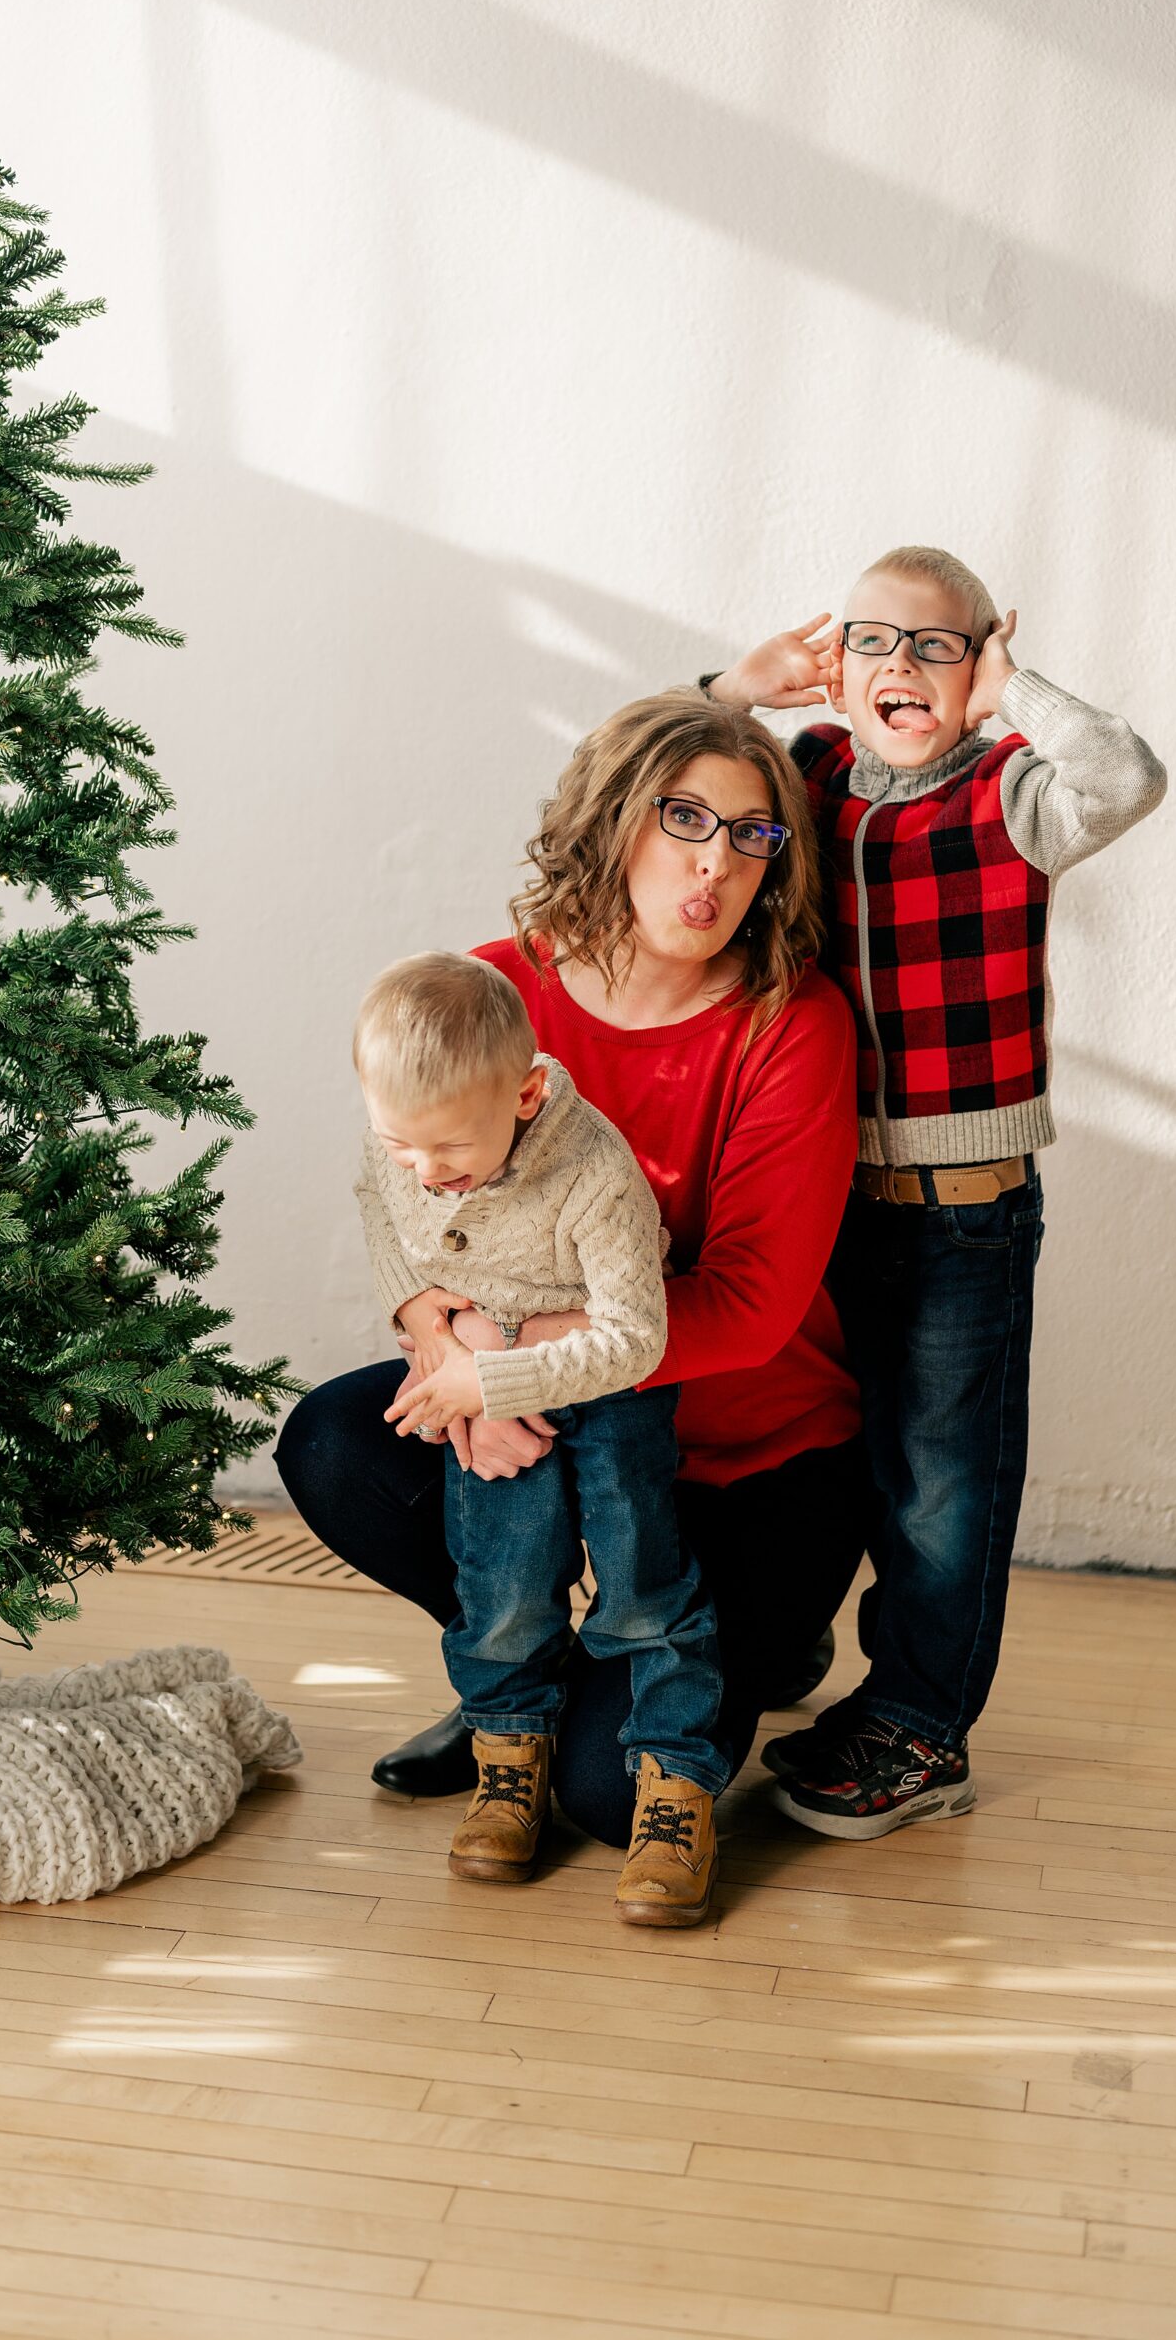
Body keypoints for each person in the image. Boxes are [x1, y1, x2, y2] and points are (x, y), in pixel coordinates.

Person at [277, 690, 864, 1857]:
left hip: (744, 1443)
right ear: (613, 822)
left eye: (754, 835)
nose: (718, 862)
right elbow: (405, 1180)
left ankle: (759, 1644)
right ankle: (519, 1684)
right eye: (684, 818)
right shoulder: (497, 986)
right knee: (335, 1443)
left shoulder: (790, 1025)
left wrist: (507, 1363)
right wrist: (443, 1343)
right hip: (553, 1414)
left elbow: (750, 1309)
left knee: (606, 1803)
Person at [700, 545, 1167, 1839]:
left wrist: (1016, 690)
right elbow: (656, 787)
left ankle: (917, 1727)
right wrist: (735, 691)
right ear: (830, 663)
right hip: (824, 1192)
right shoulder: (803, 779)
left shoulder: (1013, 793)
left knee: (940, 1478)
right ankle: (784, 1642)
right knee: (825, 1441)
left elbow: (1125, 775)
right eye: (871, 642)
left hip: (964, 1211)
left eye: (935, 646)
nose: (898, 668)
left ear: (980, 664)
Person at [351, 951, 726, 1925]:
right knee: (502, 1583)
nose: (424, 1175)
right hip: (482, 1379)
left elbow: (636, 1339)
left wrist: (490, 1375)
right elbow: (381, 1212)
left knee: (644, 1588)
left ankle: (675, 1788)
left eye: (446, 1152)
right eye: (400, 1145)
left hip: (607, 1392)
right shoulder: (404, 1144)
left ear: (524, 1094)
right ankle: (508, 1755)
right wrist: (435, 1335)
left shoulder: (594, 1173)